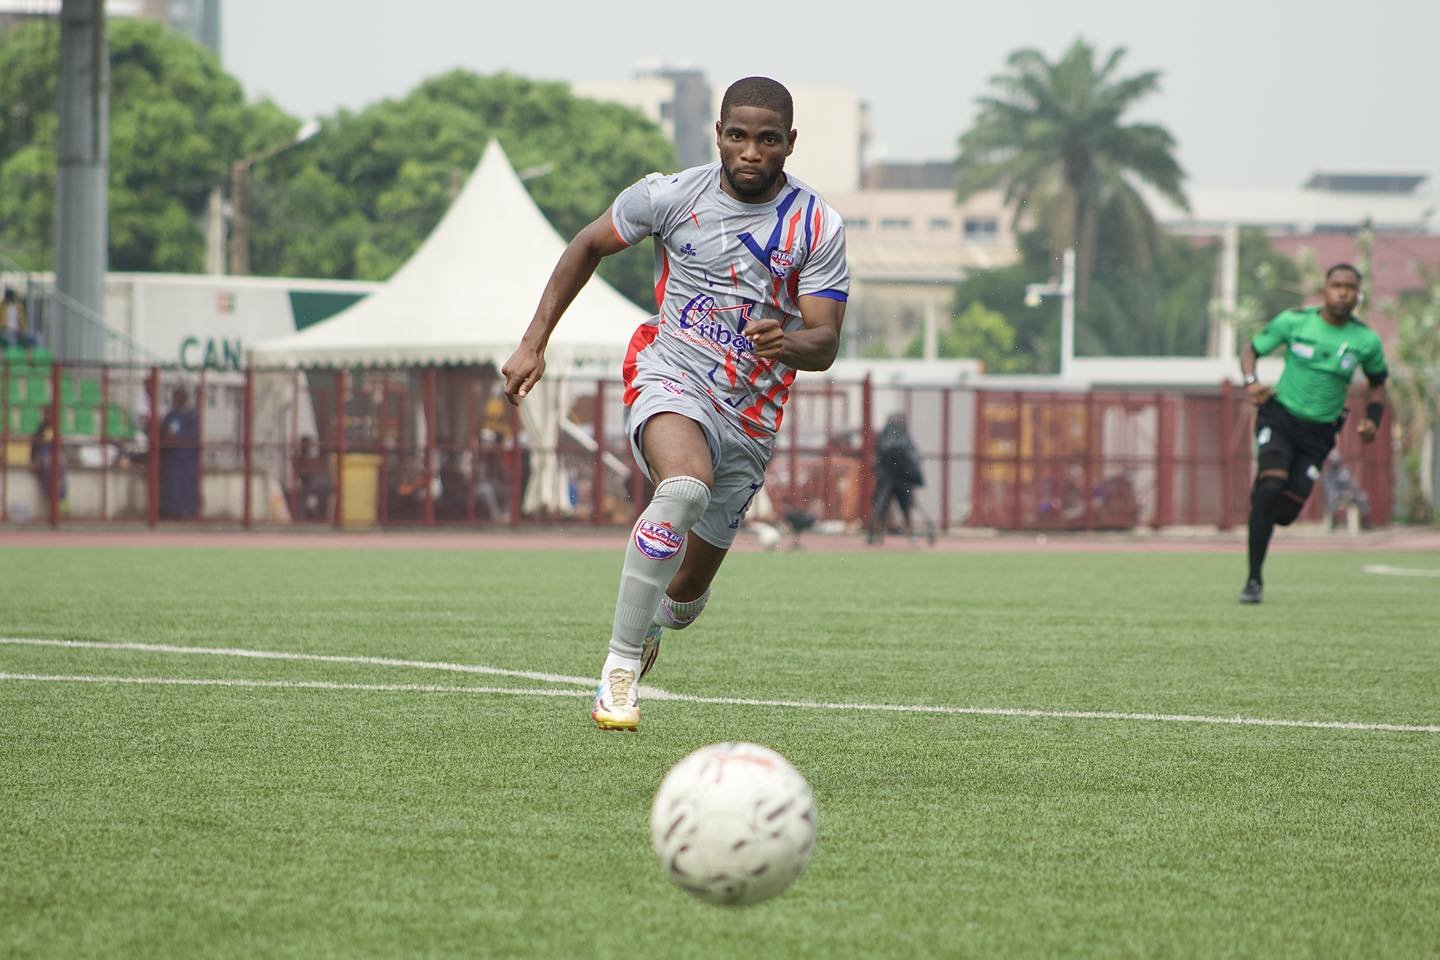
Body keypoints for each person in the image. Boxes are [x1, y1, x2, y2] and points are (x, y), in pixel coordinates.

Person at [501, 76, 849, 731]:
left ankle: (656, 620)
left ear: (789, 145)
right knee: (684, 488)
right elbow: (586, 245)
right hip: (672, 374)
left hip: (751, 416)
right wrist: (532, 344)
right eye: (739, 136)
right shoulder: (668, 195)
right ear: (717, 135)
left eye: (767, 140)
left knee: (686, 597)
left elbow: (825, 341)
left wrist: (790, 342)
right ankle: (619, 670)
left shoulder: (816, 224)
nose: (751, 151)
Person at [1237, 263, 1388, 603]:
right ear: (1324, 289)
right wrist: (1251, 383)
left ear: (1358, 294)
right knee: (1270, 485)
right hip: (1280, 417)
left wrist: (1373, 421)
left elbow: (1378, 385)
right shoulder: (1295, 322)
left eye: (1350, 287)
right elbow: (1251, 350)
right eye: (1337, 285)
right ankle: (1253, 581)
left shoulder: (1365, 341)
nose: (1343, 292)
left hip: (1318, 434)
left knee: (1286, 513)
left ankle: (1263, 501)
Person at [867, 413, 924, 544]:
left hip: (892, 478)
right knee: (885, 507)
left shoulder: (888, 436)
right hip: (895, 478)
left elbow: (878, 454)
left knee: (883, 507)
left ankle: (877, 535)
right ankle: (879, 534)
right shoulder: (896, 436)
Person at [159, 385, 200, 519]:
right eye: (176, 397)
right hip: (172, 459)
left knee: (186, 487)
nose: (177, 400)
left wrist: (177, 437)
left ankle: (188, 512)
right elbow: (163, 431)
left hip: (187, 460)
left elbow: (194, 434)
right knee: (172, 487)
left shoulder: (192, 415)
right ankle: (171, 512)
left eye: (181, 397)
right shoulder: (171, 415)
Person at [294, 435, 334, 521]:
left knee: (305, 497)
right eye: (304, 444)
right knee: (303, 496)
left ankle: (318, 518)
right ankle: (304, 518)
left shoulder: (314, 460)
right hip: (311, 487)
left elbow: (305, 473)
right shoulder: (300, 459)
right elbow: (300, 474)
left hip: (317, 486)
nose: (306, 447)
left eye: (307, 444)